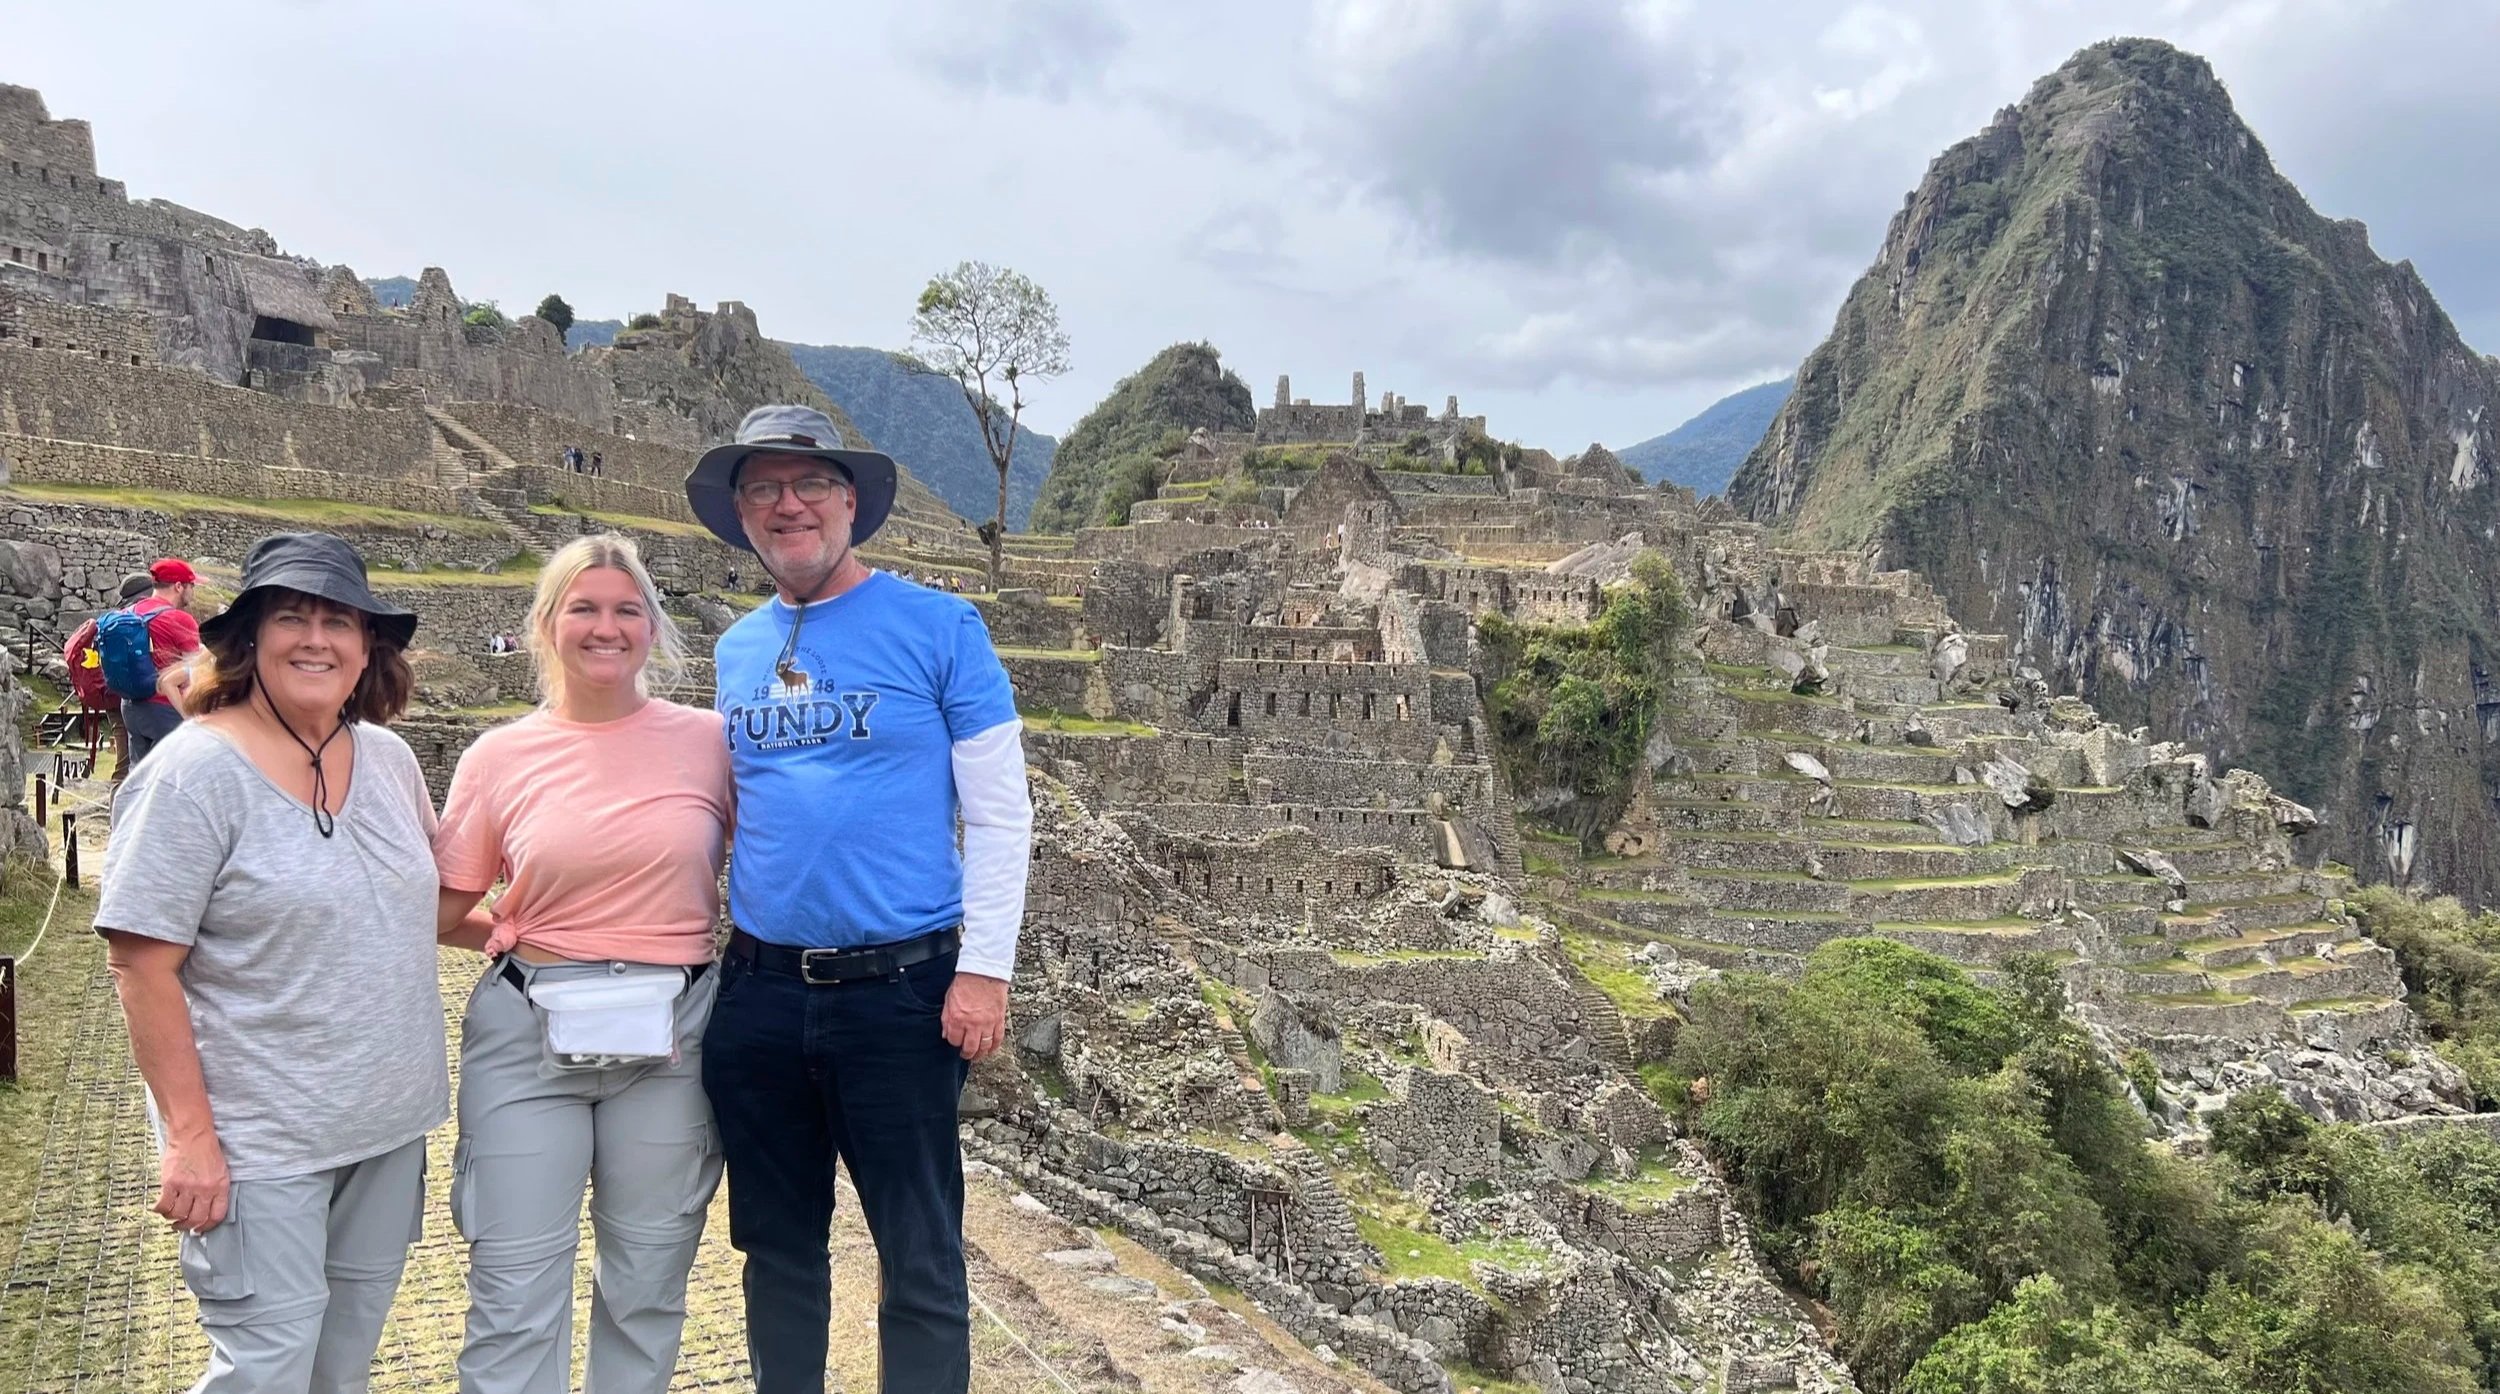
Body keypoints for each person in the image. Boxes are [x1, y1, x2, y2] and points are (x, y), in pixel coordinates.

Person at [682, 404, 1032, 1393]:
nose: (787, 504)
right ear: (742, 514)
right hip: (759, 992)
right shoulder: (738, 650)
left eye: (809, 484)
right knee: (776, 1247)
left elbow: (1000, 811)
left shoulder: (940, 627)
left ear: (849, 502)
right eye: (763, 488)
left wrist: (985, 970)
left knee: (918, 1252)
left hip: (900, 994)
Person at [95, 533, 444, 1394]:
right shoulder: (194, 774)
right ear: (249, 638)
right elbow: (141, 965)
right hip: (261, 1142)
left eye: (339, 621)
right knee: (267, 1370)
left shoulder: (390, 761)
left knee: (341, 1368)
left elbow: (415, 904)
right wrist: (190, 1140)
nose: (316, 639)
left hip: (386, 1129)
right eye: (292, 617)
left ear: (368, 646)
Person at [433, 533, 732, 1394]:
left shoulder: (710, 743)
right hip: (530, 1033)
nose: (608, 627)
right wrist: (511, 931)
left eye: (627, 609)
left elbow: (775, 866)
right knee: (514, 1290)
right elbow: (444, 910)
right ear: (546, 624)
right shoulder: (500, 757)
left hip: (673, 1038)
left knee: (648, 1284)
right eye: (585, 608)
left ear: (652, 627)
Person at [122, 558, 204, 769]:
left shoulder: (129, 613)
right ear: (178, 586)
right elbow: (195, 673)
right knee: (171, 774)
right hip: (166, 707)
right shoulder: (179, 619)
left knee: (139, 774)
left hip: (130, 706)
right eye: (191, 585)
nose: (193, 592)